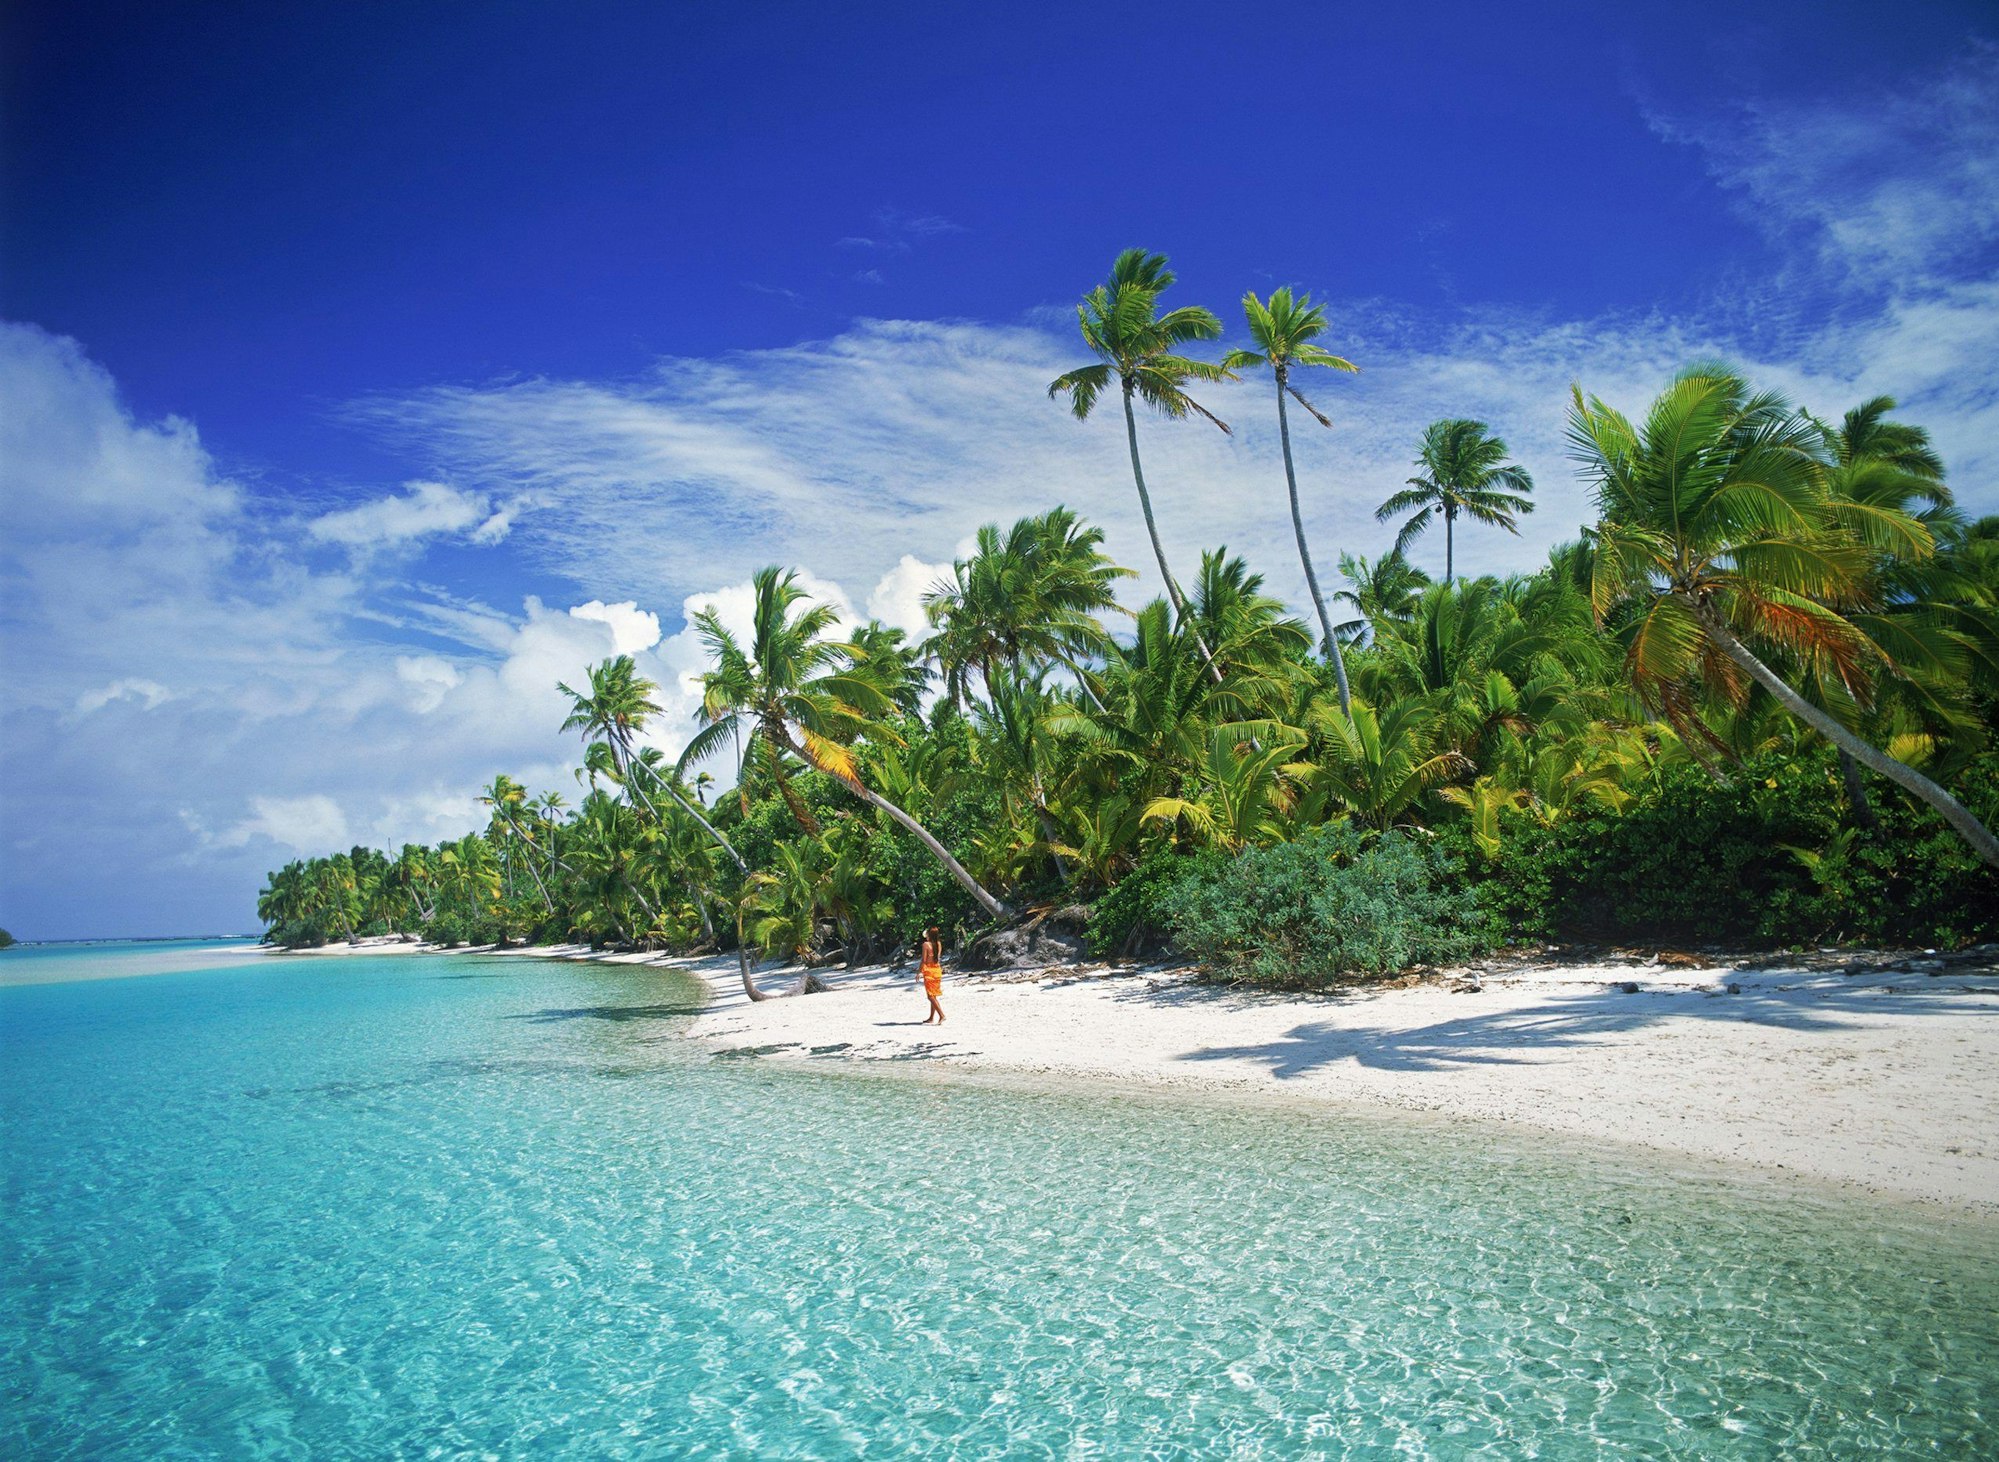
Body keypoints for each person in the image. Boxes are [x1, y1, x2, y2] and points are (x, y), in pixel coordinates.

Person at [918, 925, 945, 1024]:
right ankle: (931, 1017)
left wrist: (918, 972)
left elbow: (924, 960)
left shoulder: (926, 945)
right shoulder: (938, 943)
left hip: (929, 971)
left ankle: (941, 1015)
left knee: (930, 996)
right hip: (937, 970)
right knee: (933, 995)